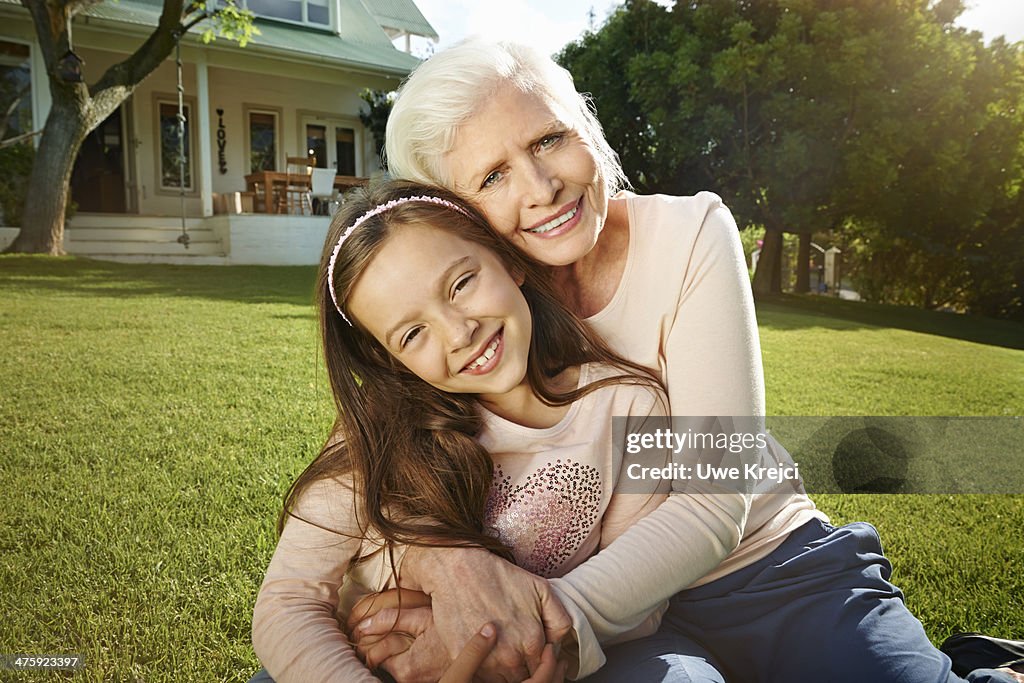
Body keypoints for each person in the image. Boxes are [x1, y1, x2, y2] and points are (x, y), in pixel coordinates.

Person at [345, 39, 1024, 683]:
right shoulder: (467, 311)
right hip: (625, 615)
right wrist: (437, 559)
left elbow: (714, 494)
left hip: (766, 567)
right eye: (493, 176)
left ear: (585, 126)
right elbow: (378, 460)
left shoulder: (691, 232)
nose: (542, 186)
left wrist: (537, 628)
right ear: (453, 213)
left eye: (549, 138)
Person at [249, 180, 674, 682]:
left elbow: (641, 597)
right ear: (393, 359)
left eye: (460, 284)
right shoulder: (375, 429)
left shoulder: (629, 407)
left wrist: (480, 640)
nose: (458, 332)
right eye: (412, 333)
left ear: (509, 262)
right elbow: (288, 601)